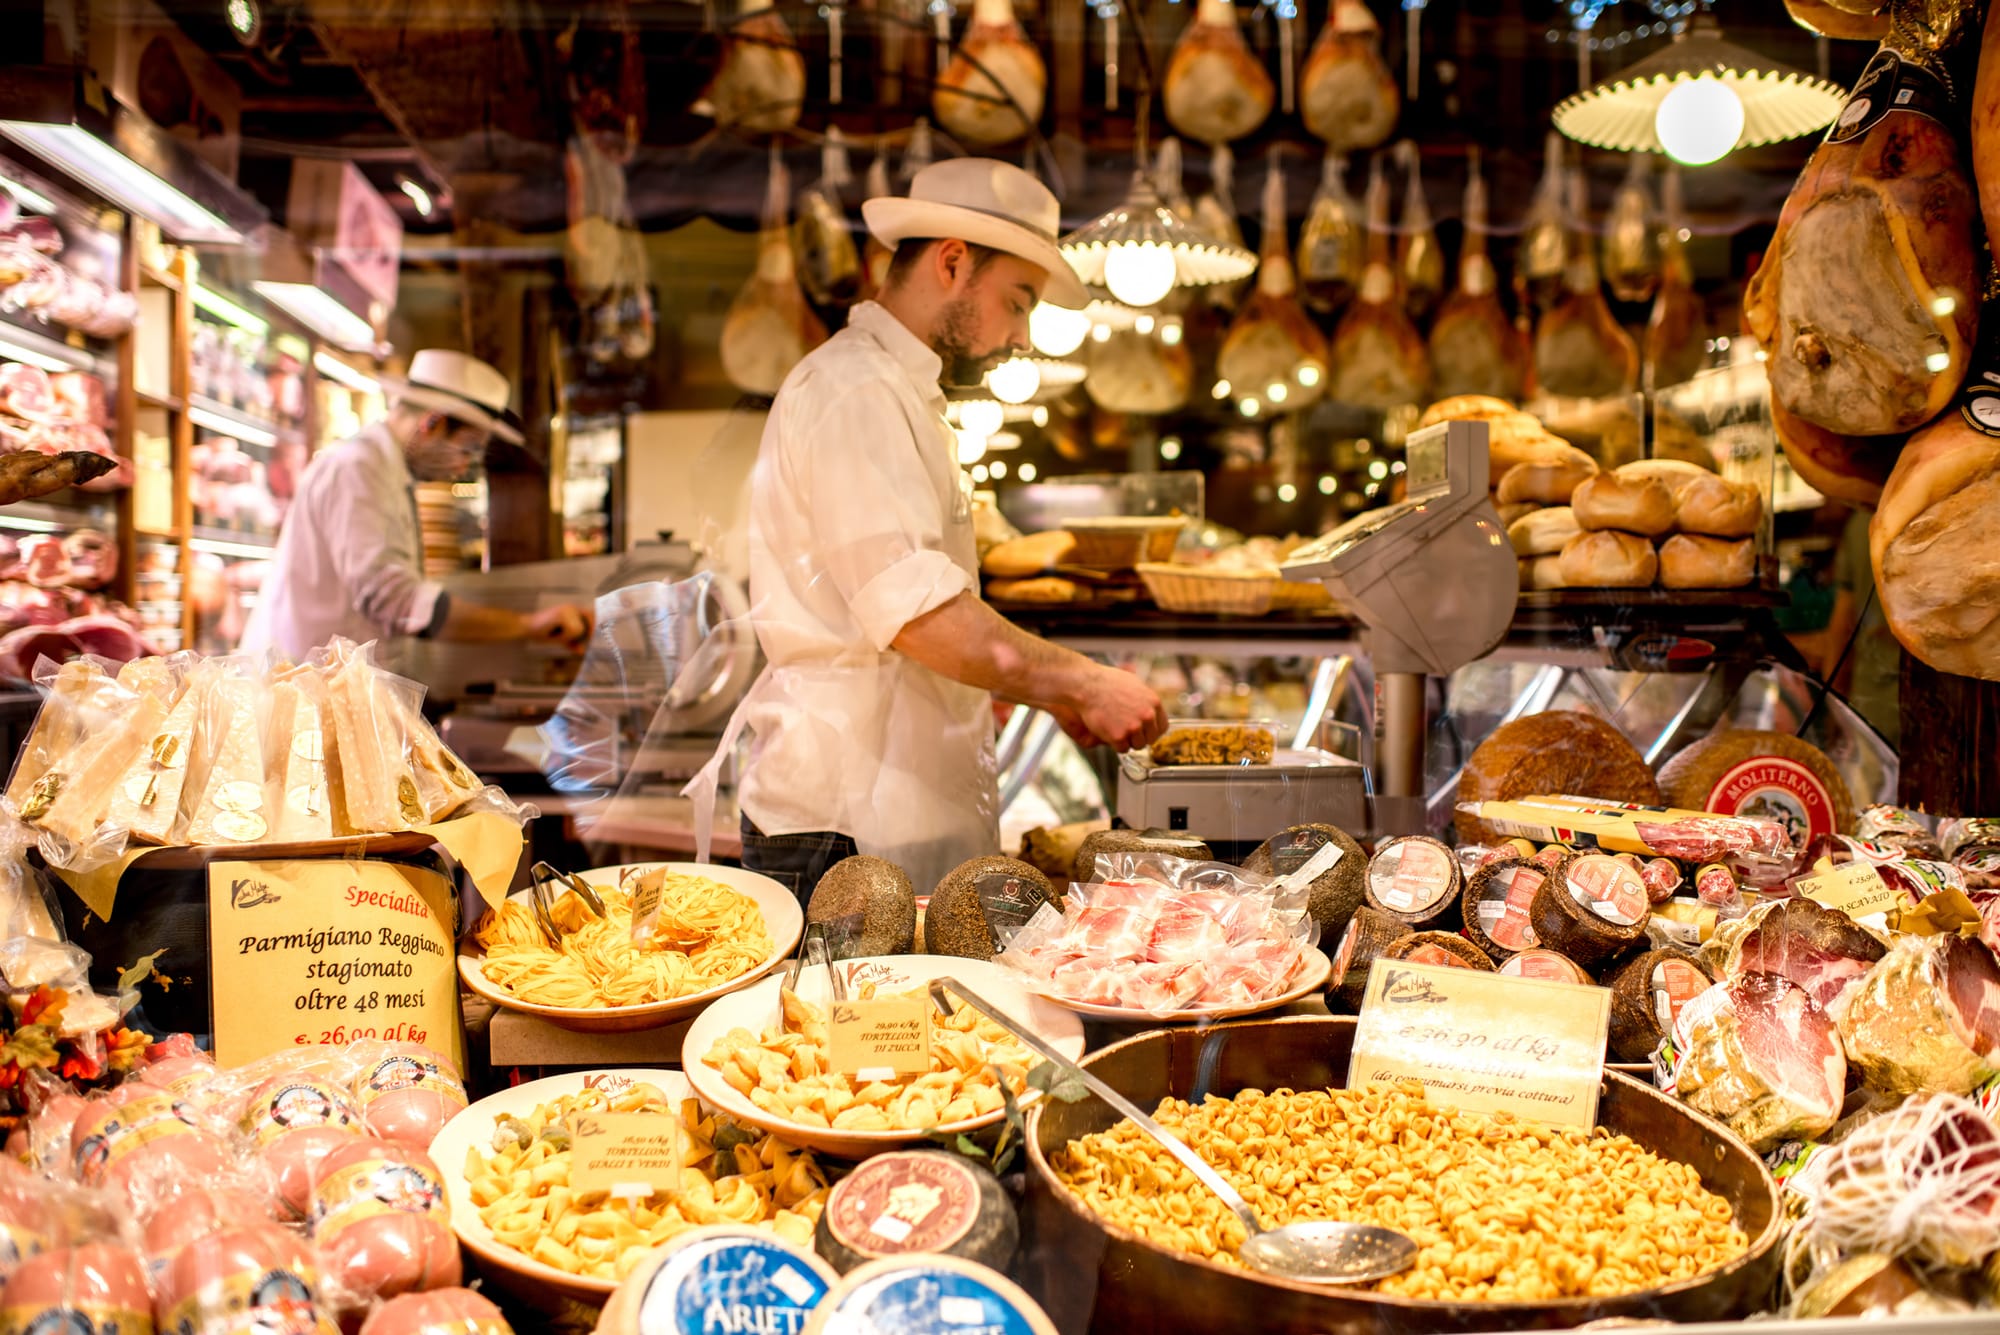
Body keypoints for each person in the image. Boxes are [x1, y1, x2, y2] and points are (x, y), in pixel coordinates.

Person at [687, 158, 1168, 902]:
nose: (1020, 335)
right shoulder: (856, 391)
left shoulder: (899, 394)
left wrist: (1023, 687)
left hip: (886, 811)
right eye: (1018, 300)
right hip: (847, 826)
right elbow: (919, 617)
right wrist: (1082, 681)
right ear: (952, 262)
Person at [240, 349, 592, 663]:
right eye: (466, 450)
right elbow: (393, 599)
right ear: (432, 423)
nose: (459, 469)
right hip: (297, 693)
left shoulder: (386, 469)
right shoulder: (359, 468)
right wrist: (528, 625)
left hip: (325, 690)